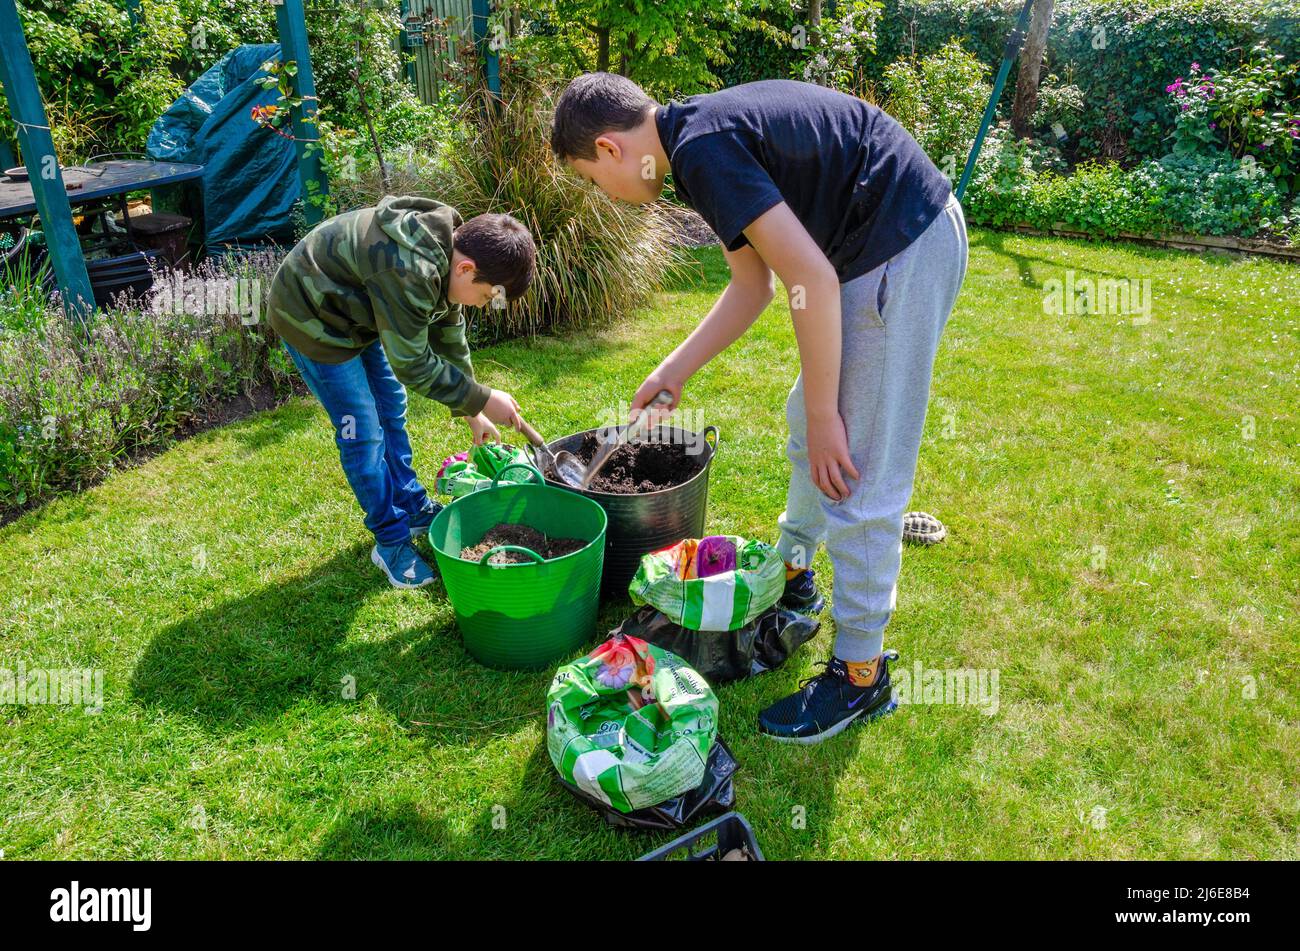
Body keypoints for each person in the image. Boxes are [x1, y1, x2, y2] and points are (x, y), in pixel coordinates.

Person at [551, 74, 968, 743]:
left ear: (608, 148)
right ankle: (794, 573)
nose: (611, 197)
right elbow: (755, 287)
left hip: (898, 245)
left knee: (857, 466)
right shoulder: (691, 144)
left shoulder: (703, 149)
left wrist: (833, 414)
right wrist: (673, 370)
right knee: (810, 423)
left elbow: (811, 279)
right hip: (879, 246)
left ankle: (862, 674)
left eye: (596, 182)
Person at [268, 196, 536, 589]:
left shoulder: (452, 251)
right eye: (483, 297)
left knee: (391, 407)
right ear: (466, 269)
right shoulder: (410, 269)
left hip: (361, 311)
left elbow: (448, 333)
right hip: (311, 316)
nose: (480, 305)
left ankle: (410, 506)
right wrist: (480, 398)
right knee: (363, 431)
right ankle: (390, 542)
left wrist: (470, 410)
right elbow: (412, 364)